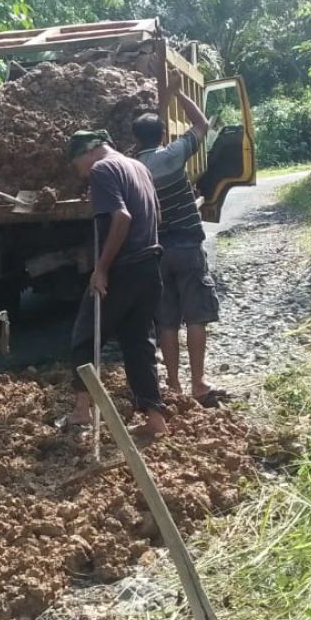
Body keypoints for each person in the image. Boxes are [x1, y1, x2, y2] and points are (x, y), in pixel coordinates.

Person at [61, 129, 169, 442]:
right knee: (138, 343)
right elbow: (156, 215)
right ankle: (155, 418)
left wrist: (102, 269)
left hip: (123, 269)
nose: (80, 173)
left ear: (86, 152)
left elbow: (121, 218)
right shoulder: (138, 167)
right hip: (150, 265)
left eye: (76, 164)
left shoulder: (102, 169)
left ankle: (82, 411)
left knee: (84, 335)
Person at [132, 78, 228, 407]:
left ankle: (172, 386)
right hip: (187, 246)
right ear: (162, 135)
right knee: (196, 316)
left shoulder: (135, 169)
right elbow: (202, 123)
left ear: (135, 140)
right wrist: (177, 92)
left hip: (157, 252)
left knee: (168, 321)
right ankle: (198, 383)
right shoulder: (173, 155)